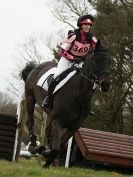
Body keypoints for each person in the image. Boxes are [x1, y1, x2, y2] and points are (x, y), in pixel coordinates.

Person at [42, 14, 97, 108]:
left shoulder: (92, 39)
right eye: (85, 25)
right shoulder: (73, 36)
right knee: (57, 76)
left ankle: (86, 104)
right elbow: (61, 50)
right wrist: (72, 58)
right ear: (80, 25)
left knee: (90, 81)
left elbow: (97, 49)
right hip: (67, 60)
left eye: (89, 25)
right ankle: (48, 98)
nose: (88, 27)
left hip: (80, 62)